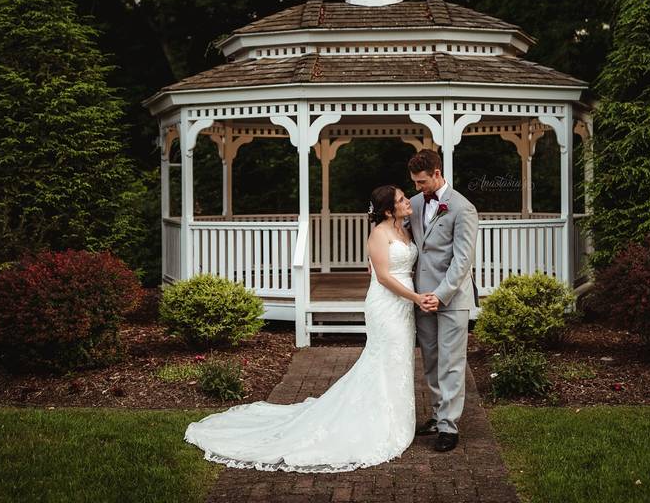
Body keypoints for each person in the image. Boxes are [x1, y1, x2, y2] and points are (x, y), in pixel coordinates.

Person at [183, 185, 436, 472]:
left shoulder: (405, 229)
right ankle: (380, 423)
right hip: (387, 304)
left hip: (403, 307)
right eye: (401, 200)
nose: (407, 202)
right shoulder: (379, 234)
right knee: (383, 359)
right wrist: (416, 297)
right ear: (389, 210)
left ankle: (396, 418)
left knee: (398, 360)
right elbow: (383, 276)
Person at [407, 149, 479, 453]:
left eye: (422, 181)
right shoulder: (412, 204)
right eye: (414, 182)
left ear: (437, 173)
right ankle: (437, 416)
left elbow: (463, 261)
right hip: (421, 297)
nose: (418, 187)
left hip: (451, 298)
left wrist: (441, 294)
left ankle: (450, 426)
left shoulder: (463, 208)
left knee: (451, 363)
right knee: (432, 361)